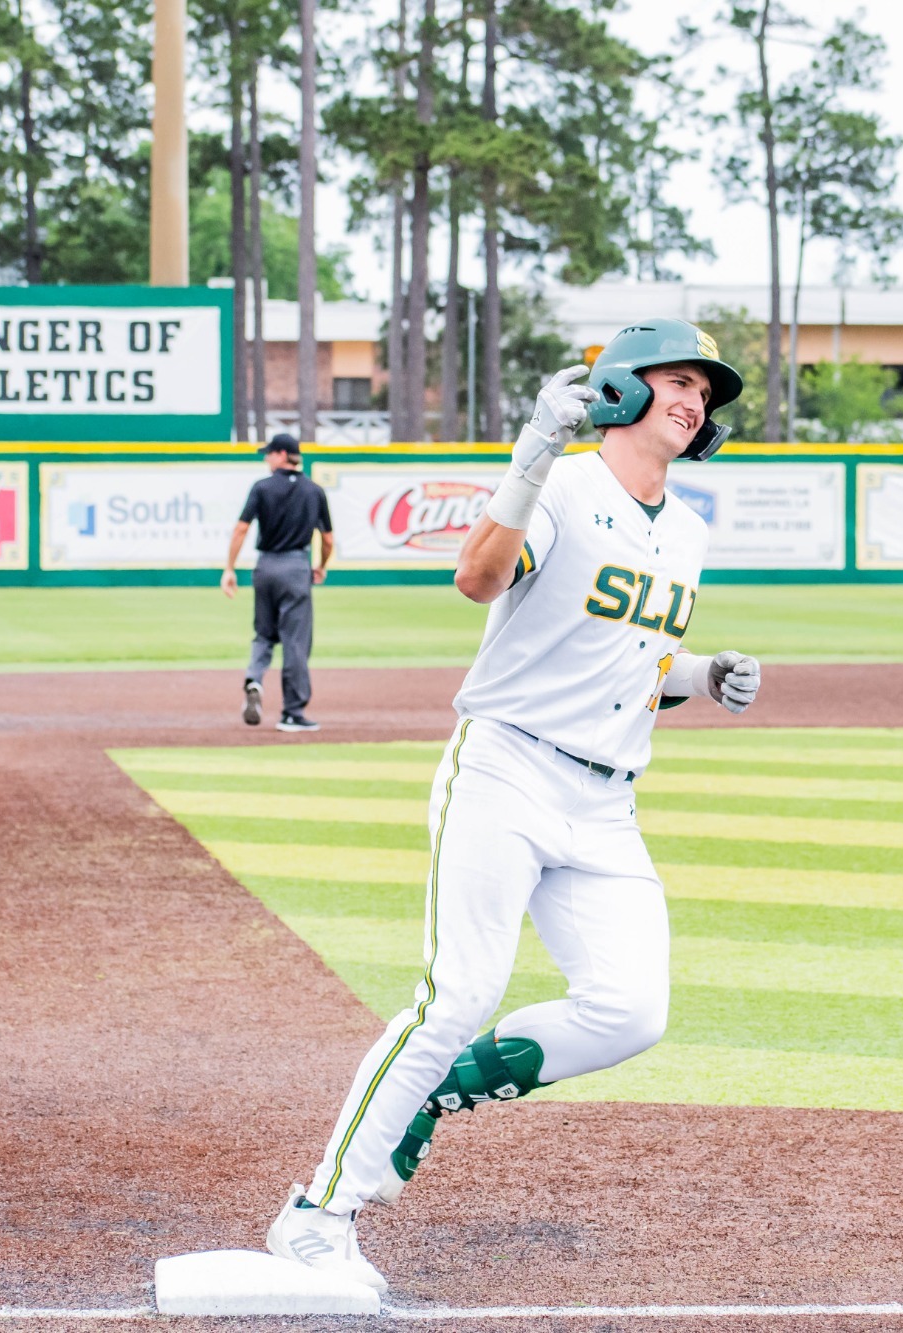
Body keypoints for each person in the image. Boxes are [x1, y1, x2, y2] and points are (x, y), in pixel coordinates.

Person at [265, 320, 764, 1292]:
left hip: (605, 802)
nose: (696, 399)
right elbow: (476, 579)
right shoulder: (567, 484)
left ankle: (436, 1094)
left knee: (629, 1009)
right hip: (506, 770)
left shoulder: (689, 527)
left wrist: (695, 672)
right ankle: (316, 1212)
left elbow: (630, 658)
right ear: (618, 388)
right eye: (677, 379)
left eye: (706, 389)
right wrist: (530, 454)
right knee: (457, 994)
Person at [223, 435, 333, 732]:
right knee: (295, 642)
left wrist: (229, 568)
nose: (265, 459)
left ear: (282, 454)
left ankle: (254, 679)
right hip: (297, 566)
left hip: (266, 565)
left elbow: (240, 530)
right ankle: (292, 714)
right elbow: (327, 538)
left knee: (263, 634)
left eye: (268, 454)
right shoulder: (314, 491)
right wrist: (320, 566)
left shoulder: (262, 487)